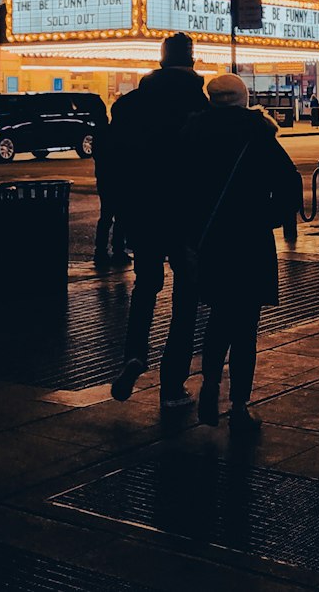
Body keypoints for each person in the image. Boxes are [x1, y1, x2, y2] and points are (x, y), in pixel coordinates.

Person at [181, 74, 301, 433]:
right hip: (249, 239)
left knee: (218, 317)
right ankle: (238, 405)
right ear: (242, 99)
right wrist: (269, 218)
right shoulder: (257, 134)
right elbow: (288, 183)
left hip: (211, 240)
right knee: (245, 325)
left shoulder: (192, 135)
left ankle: (211, 384)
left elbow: (178, 189)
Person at [109, 33, 208, 409]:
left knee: (146, 285)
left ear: (161, 62)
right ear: (191, 62)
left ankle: (134, 354)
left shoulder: (129, 105)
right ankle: (172, 386)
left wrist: (121, 208)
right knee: (186, 295)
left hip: (141, 212)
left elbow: (112, 159)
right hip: (186, 215)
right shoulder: (199, 105)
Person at [92, 113, 131, 271]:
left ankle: (101, 250)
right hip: (120, 179)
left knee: (106, 216)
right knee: (121, 216)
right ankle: (118, 249)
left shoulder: (102, 134)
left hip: (105, 179)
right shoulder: (122, 135)